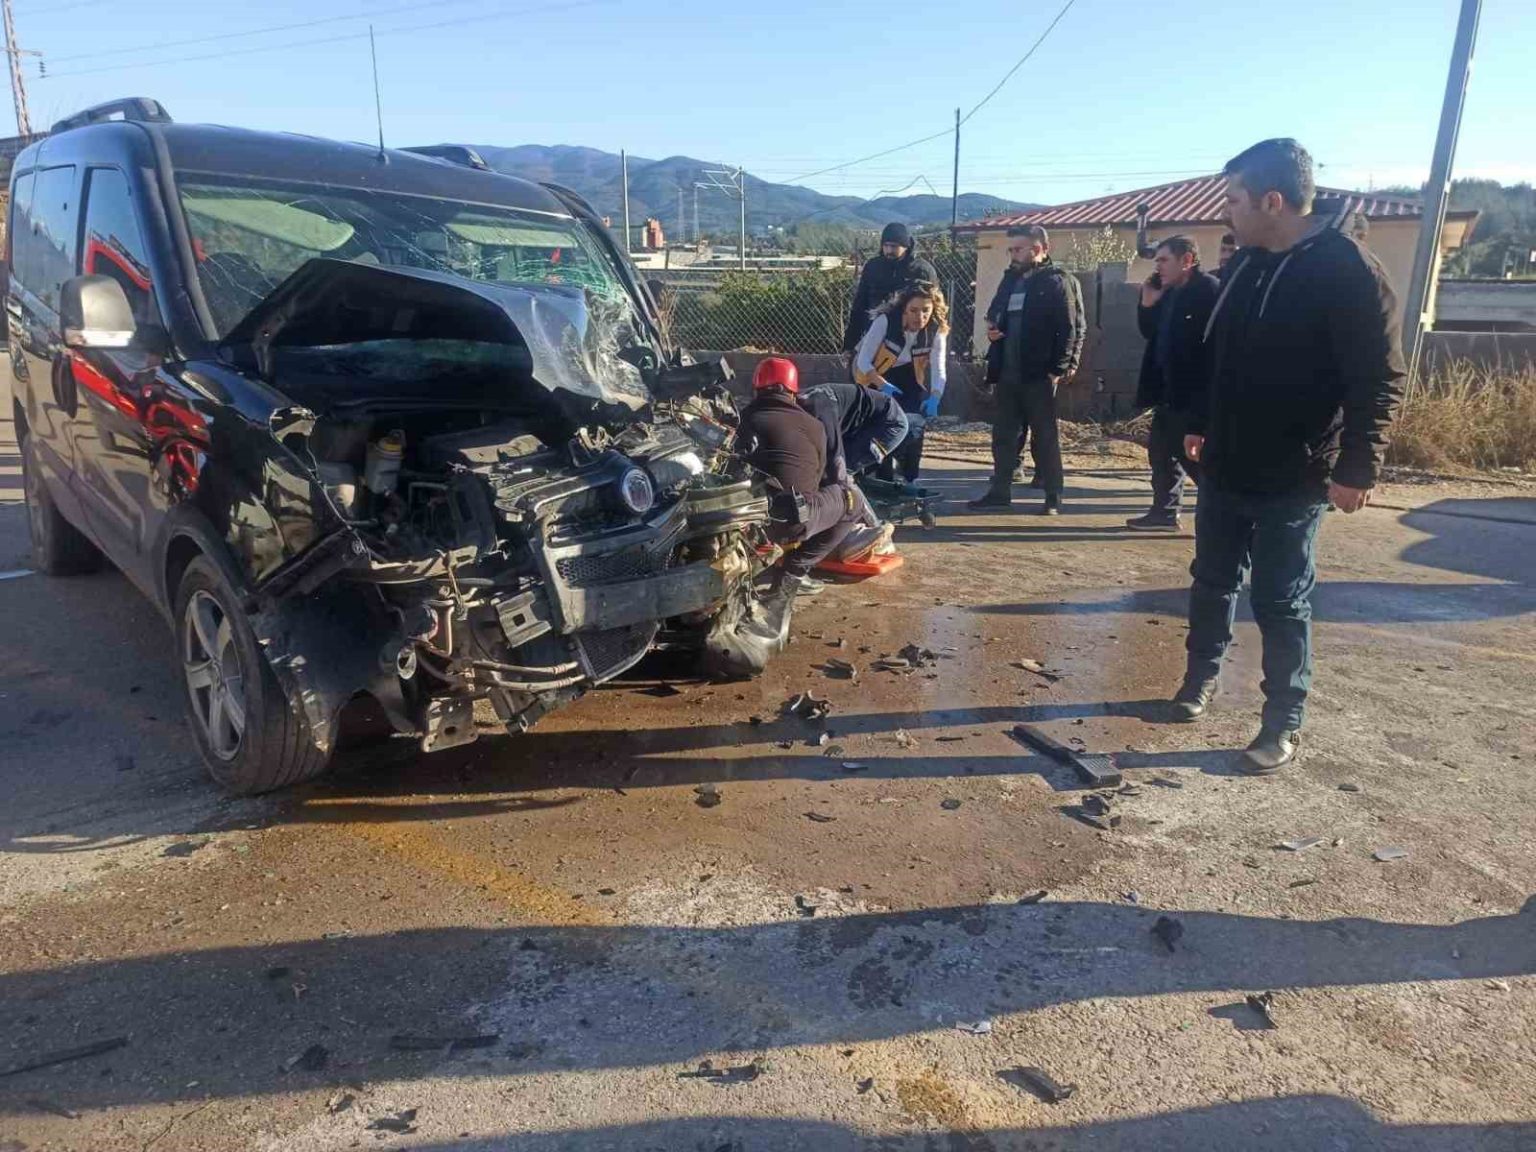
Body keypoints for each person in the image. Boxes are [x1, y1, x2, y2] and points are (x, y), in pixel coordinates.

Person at [1173, 138, 1405, 774]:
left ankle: (1282, 721)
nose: (1226, 212)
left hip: (1295, 472)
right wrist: (1198, 421)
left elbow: (1378, 379)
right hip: (1226, 461)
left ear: (1272, 201)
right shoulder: (1247, 265)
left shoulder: (1348, 269)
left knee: (1280, 600)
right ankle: (1198, 680)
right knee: (1211, 579)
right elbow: (1218, 355)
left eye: (1234, 200)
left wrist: (1359, 465)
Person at [736, 357, 857, 642]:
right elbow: (817, 480)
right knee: (852, 500)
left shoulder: (742, 419)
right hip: (793, 521)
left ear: (756, 389)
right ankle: (792, 572)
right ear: (793, 392)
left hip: (744, 524)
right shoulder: (814, 425)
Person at [968, 225, 1085, 515]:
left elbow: (1070, 328)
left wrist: (1059, 369)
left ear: (1039, 249)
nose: (1013, 255)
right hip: (1008, 373)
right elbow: (995, 311)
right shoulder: (1010, 279)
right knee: (1004, 436)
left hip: (1038, 374)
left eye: (1018, 249)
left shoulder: (1057, 281)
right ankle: (999, 492)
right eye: (1011, 249)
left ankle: (1053, 496)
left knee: (1045, 437)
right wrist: (994, 328)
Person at [1127, 235, 1219, 530]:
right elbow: (1150, 333)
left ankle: (1228, 518)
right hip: (1166, 391)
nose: (1158, 267)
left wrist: (1201, 413)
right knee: (1161, 453)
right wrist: (1147, 304)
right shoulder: (1168, 293)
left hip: (1193, 394)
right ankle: (1164, 513)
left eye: (1164, 260)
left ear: (1187, 260)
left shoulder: (1209, 291)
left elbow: (1212, 350)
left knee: (1195, 459)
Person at [798, 378, 910, 561]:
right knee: (826, 472)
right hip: (860, 425)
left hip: (889, 424)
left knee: (842, 473)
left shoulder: (818, 411)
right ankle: (844, 529)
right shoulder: (801, 406)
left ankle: (874, 536)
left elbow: (836, 464)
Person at [853, 282, 949, 482]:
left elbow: (939, 368)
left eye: (926, 310)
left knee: (915, 425)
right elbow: (863, 361)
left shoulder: (936, 329)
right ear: (904, 309)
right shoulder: (885, 321)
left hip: (909, 374)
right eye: (914, 310)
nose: (920, 317)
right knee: (882, 424)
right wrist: (882, 386)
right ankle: (880, 476)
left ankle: (909, 477)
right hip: (874, 374)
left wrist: (935, 396)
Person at [843, 223, 938, 357]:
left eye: (894, 246)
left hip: (909, 339)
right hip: (873, 334)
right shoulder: (873, 267)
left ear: (906, 246)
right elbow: (860, 305)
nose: (889, 250)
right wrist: (850, 344)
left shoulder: (922, 270)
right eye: (885, 246)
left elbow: (933, 307)